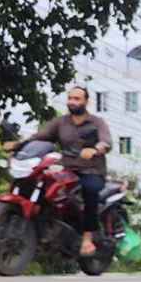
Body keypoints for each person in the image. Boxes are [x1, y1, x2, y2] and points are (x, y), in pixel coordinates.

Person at [29, 86, 114, 256]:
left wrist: (95, 149)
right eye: (70, 98)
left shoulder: (97, 122)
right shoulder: (60, 122)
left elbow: (106, 142)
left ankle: (88, 238)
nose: (72, 102)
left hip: (91, 170)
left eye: (77, 99)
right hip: (67, 170)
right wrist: (19, 145)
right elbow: (40, 137)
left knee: (89, 189)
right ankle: (43, 231)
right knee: (43, 186)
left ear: (86, 101)